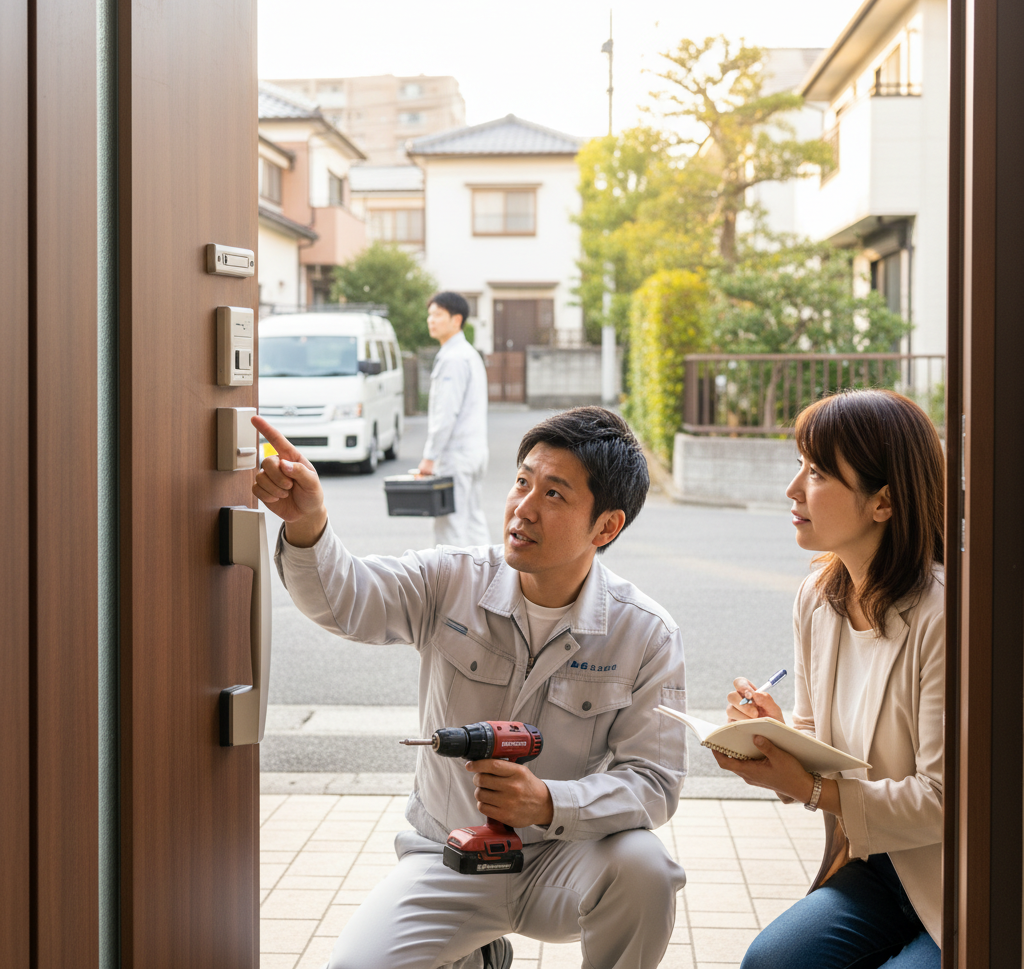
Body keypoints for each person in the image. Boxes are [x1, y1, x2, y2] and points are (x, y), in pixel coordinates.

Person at [251, 406, 688, 969]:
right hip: (447, 856)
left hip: (563, 857)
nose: (522, 509)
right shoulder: (450, 578)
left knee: (646, 869)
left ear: (606, 526)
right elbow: (348, 601)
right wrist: (307, 523)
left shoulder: (645, 633)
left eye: (554, 495)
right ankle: (478, 958)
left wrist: (550, 802)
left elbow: (654, 781)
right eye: (523, 481)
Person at [715, 389, 944, 969]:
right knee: (769, 962)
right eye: (800, 466)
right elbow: (821, 737)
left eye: (816, 473)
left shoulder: (946, 614)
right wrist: (774, 734)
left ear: (883, 503)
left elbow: (946, 801)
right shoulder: (821, 597)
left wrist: (809, 787)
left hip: (959, 879)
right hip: (878, 866)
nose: (793, 490)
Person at [417, 291, 490, 547]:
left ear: (456, 320)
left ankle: (455, 585)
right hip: (474, 451)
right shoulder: (468, 354)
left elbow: (445, 413)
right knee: (472, 519)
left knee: (450, 525)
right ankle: (488, 580)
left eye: (438, 315)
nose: (431, 320)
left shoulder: (453, 358)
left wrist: (430, 456)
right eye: (430, 315)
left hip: (456, 454)